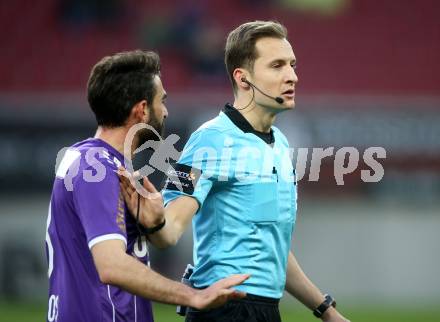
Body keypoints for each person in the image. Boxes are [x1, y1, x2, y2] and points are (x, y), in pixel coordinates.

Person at [120, 22, 350, 322]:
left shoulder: (280, 144)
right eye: (277, 66)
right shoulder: (208, 140)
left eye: (292, 65)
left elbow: (272, 247)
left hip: (266, 311)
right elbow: (170, 227)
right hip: (225, 309)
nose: (292, 76)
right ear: (243, 79)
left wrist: (326, 311)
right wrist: (155, 223)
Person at [44, 50, 249, 322]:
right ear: (142, 109)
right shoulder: (98, 168)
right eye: (162, 101)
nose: (166, 111)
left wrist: (153, 224)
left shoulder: (88, 158)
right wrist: (194, 296)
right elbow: (112, 266)